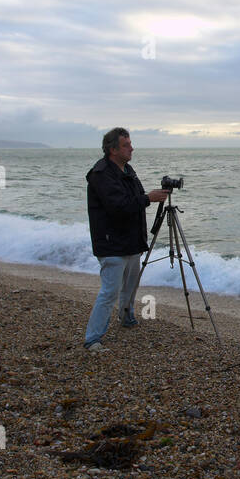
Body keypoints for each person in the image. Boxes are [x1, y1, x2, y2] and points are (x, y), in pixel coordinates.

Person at [84, 128, 167, 352]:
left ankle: (126, 317)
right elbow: (118, 206)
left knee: (130, 284)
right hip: (111, 242)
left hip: (130, 240)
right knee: (110, 291)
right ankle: (92, 338)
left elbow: (133, 199)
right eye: (126, 145)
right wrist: (148, 198)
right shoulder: (101, 174)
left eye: (130, 144)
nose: (131, 148)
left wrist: (148, 198)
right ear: (113, 149)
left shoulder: (127, 169)